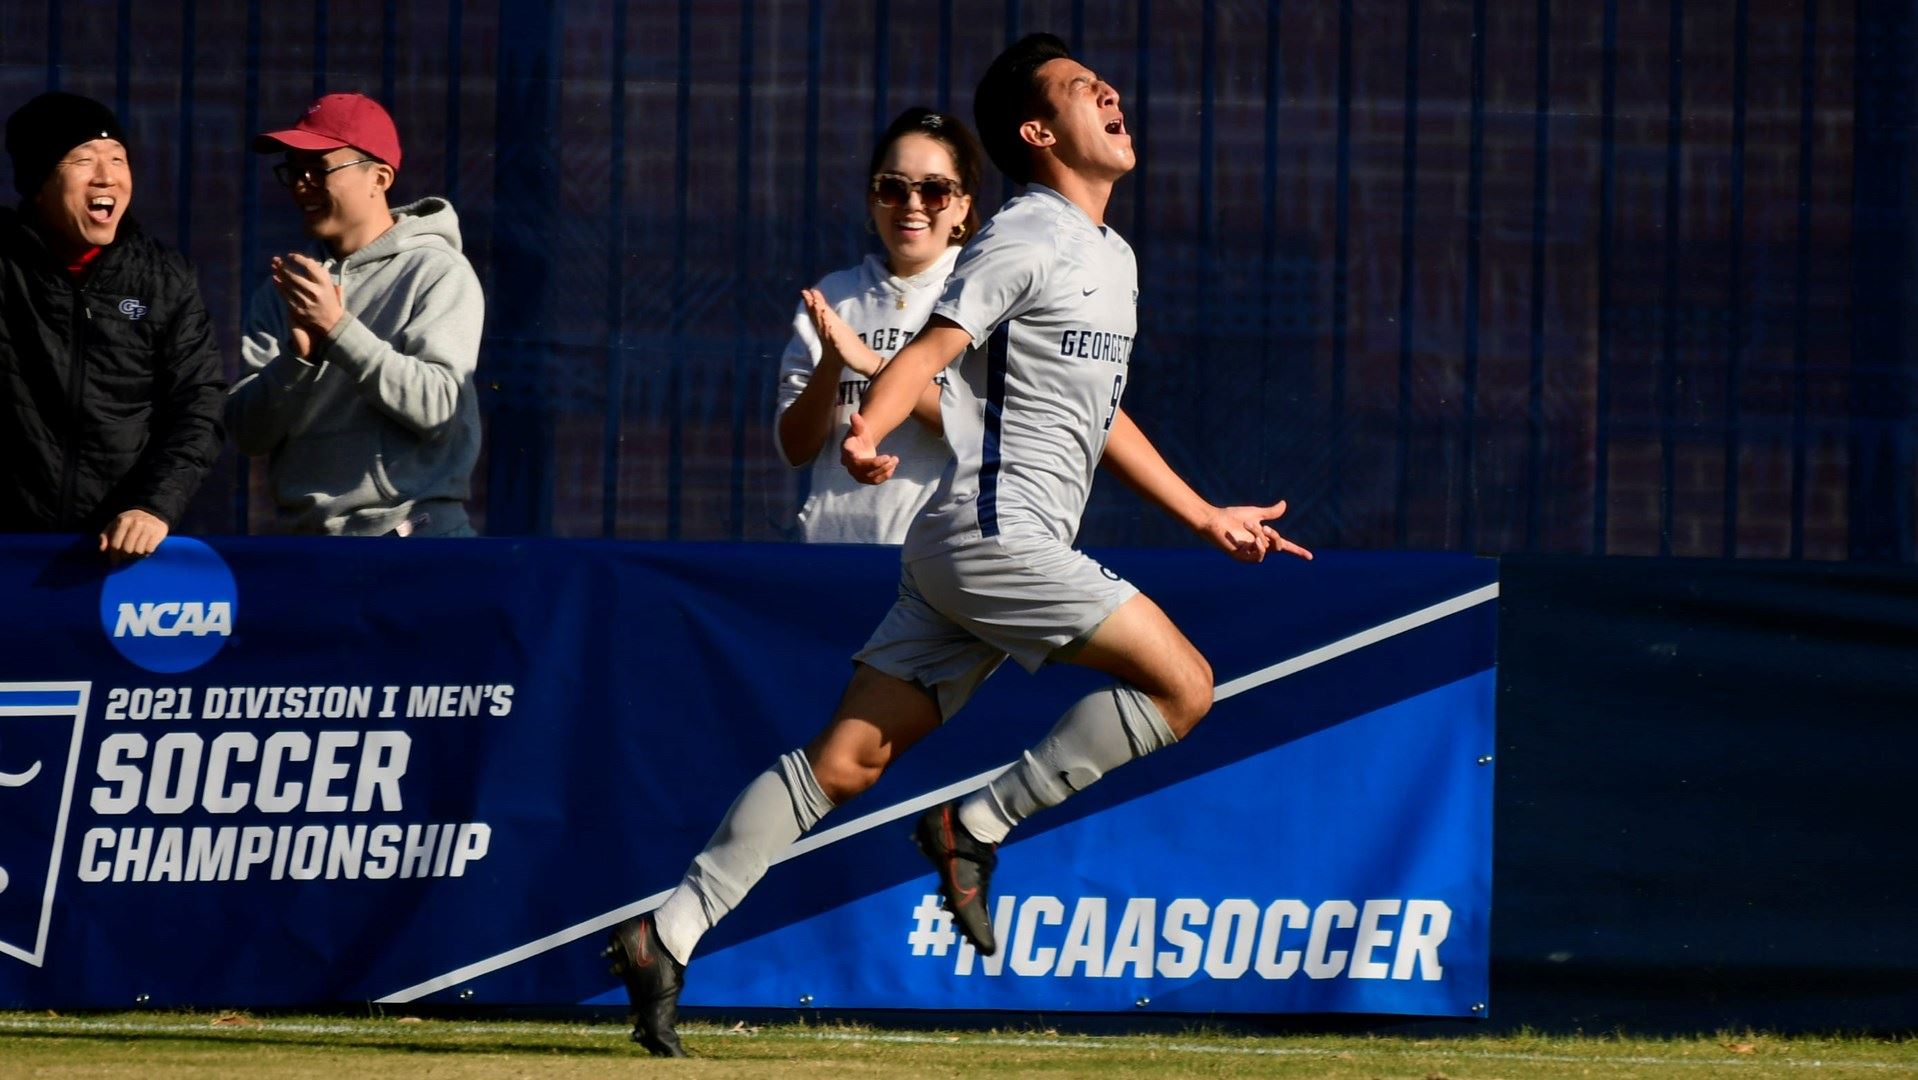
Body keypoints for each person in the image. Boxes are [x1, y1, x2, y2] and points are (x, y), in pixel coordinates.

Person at [603, 34, 1311, 1057]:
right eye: (1081, 89)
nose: (1110, 92)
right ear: (1038, 132)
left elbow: (1097, 414)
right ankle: (971, 828)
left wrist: (1203, 515)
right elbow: (932, 349)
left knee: (841, 764)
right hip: (993, 536)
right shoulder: (1023, 231)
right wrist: (865, 430)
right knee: (1183, 686)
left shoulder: (1108, 255)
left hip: (967, 548)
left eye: (1105, 84)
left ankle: (664, 934)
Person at [228, 92, 484, 537]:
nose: (302, 184)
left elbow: (441, 407)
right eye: (293, 170)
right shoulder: (286, 290)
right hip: (310, 550)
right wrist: (297, 359)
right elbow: (248, 434)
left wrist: (339, 330)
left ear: (379, 177)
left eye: (319, 167)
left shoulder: (437, 270)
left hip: (417, 544)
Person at [0, 92, 225, 560]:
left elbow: (198, 405)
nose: (107, 176)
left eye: (118, 159)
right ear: (38, 181)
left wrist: (153, 507)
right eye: (83, 160)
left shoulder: (165, 278)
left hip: (116, 555)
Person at [776, 106, 981, 543]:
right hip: (832, 549)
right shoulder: (834, 294)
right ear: (873, 200)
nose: (912, 204)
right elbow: (795, 450)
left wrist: (870, 363)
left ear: (962, 206)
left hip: (940, 564)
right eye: (893, 188)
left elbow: (985, 431)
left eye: (935, 191)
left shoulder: (983, 291)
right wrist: (832, 365)